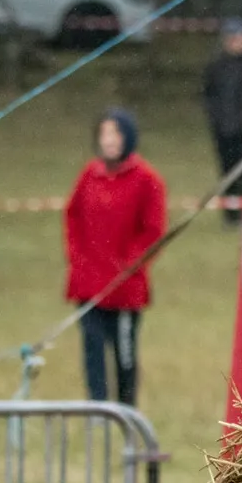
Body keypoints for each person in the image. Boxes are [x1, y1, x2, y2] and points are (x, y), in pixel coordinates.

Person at [66, 110, 166, 405]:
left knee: (124, 353)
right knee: (92, 349)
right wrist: (77, 258)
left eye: (116, 134)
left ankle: (125, 408)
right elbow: (73, 216)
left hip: (125, 288)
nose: (109, 141)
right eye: (104, 134)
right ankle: (96, 406)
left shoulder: (147, 179)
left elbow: (153, 230)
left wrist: (129, 264)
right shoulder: (89, 175)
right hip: (89, 284)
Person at [201, 18, 242, 224]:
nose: (235, 42)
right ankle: (230, 215)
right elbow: (209, 95)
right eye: (231, 38)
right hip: (223, 130)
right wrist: (216, 119)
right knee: (226, 171)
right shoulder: (216, 66)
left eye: (238, 37)